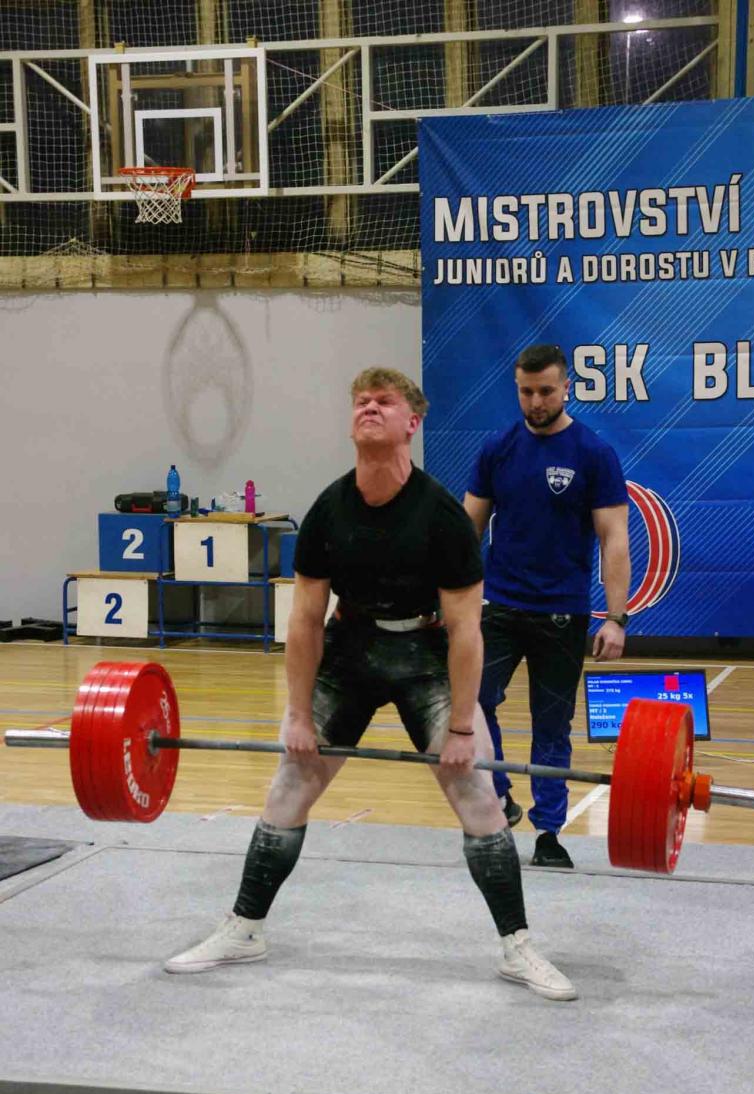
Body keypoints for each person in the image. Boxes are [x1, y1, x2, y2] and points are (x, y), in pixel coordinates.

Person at [165, 366, 576, 1002]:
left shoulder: (443, 517)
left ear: (413, 421)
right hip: (351, 650)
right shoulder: (329, 511)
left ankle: (517, 947)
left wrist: (462, 728)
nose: (369, 408)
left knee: (476, 790)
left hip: (426, 656)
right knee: (289, 782)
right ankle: (245, 929)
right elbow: (305, 621)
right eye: (360, 401)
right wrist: (298, 715)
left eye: (384, 401)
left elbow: (466, 633)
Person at [464, 344, 630, 869]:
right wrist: (446, 600)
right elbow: (466, 530)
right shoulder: (497, 448)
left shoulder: (594, 453)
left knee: (552, 727)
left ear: (566, 388)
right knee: (472, 703)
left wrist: (616, 618)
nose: (535, 401)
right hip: (500, 606)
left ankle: (549, 833)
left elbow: (615, 539)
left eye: (545, 391)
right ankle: (500, 796)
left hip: (562, 613)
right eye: (526, 391)